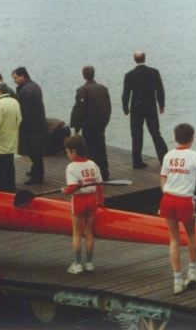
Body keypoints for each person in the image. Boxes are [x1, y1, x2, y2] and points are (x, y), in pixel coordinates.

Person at [160, 123, 196, 294]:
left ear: (175, 138)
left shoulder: (168, 156)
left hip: (168, 199)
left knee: (174, 239)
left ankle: (177, 281)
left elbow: (163, 183)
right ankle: (192, 272)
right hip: (184, 201)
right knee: (191, 234)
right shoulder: (195, 156)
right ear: (192, 138)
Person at [63, 134, 103, 275]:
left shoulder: (71, 167)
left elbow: (73, 187)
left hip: (79, 201)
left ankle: (77, 264)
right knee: (88, 232)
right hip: (92, 200)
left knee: (77, 233)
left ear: (73, 151)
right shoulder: (93, 164)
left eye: (67, 152)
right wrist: (101, 203)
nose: (67, 155)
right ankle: (89, 263)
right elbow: (99, 186)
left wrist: (65, 192)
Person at [122, 51, 168, 169]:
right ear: (145, 58)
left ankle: (137, 162)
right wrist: (161, 105)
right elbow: (160, 90)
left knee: (136, 135)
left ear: (134, 59)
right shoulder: (154, 72)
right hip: (150, 106)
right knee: (155, 133)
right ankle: (164, 159)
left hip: (136, 107)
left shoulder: (129, 75)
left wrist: (125, 108)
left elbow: (126, 94)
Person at [70, 66, 112, 180]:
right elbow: (108, 107)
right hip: (100, 124)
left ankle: (91, 174)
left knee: (89, 149)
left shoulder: (82, 90)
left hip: (88, 125)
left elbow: (79, 110)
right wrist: (105, 121)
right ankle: (104, 172)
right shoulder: (103, 88)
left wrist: (77, 128)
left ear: (84, 75)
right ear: (93, 74)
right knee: (101, 148)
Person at [12, 67, 46, 185]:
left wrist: (20, 125)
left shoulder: (25, 90)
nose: (14, 81)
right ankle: (36, 170)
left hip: (31, 125)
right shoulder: (35, 86)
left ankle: (38, 176)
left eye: (16, 78)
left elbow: (24, 111)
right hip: (39, 122)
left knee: (33, 151)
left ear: (22, 76)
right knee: (36, 150)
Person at [0, 82, 22, 192]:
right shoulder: (15, 102)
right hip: (11, 139)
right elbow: (19, 119)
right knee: (9, 166)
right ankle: (11, 187)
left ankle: (1, 188)